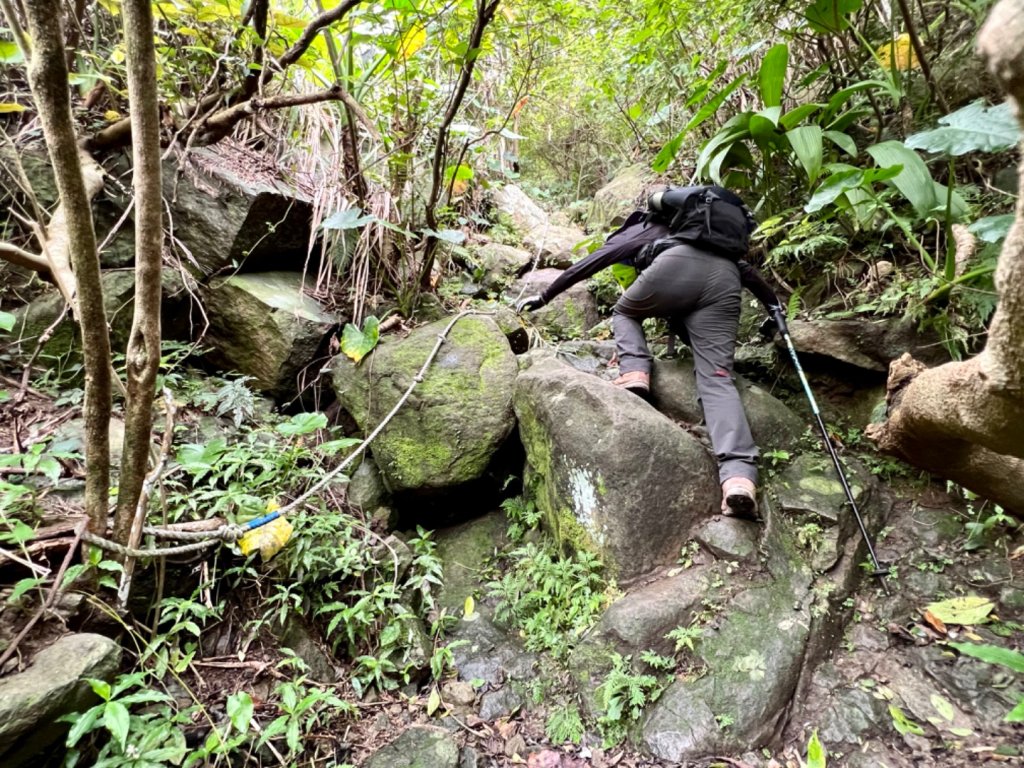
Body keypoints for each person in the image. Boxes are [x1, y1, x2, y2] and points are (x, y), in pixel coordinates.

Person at [515, 185, 784, 519]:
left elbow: (591, 262)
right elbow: (749, 274)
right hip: (725, 280)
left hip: (675, 268)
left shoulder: (644, 228)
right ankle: (739, 478)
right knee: (717, 378)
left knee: (626, 312)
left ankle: (635, 372)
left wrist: (544, 297)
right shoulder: (713, 234)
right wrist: (776, 311)